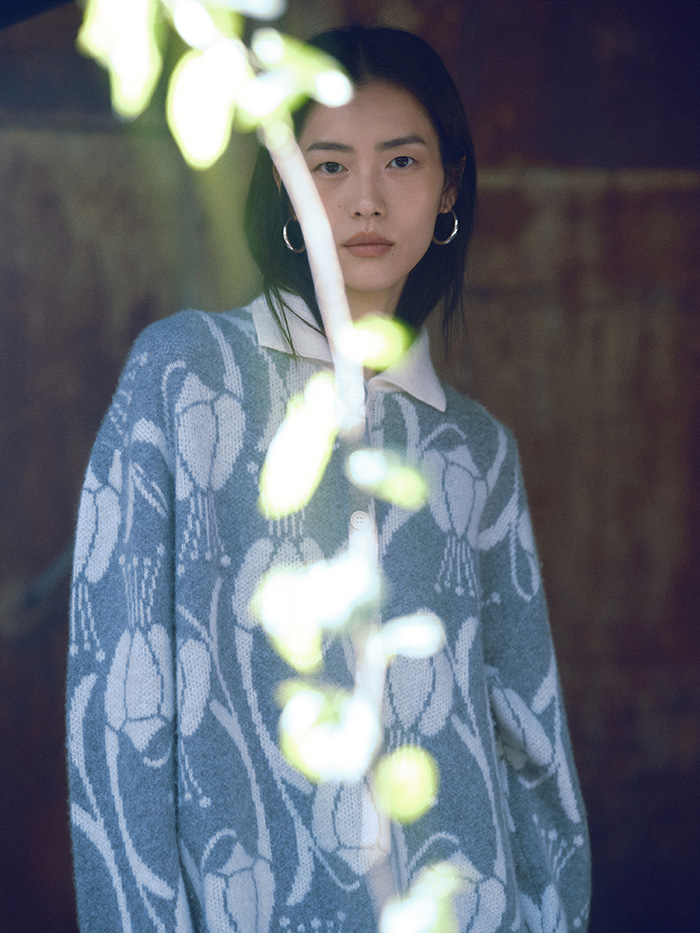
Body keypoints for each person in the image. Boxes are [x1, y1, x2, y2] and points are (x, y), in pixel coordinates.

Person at [66, 24, 591, 933]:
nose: (366, 200)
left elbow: (532, 753)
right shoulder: (183, 376)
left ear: (449, 188)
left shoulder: (478, 451)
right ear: (285, 183)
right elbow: (119, 718)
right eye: (331, 165)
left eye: (401, 162)